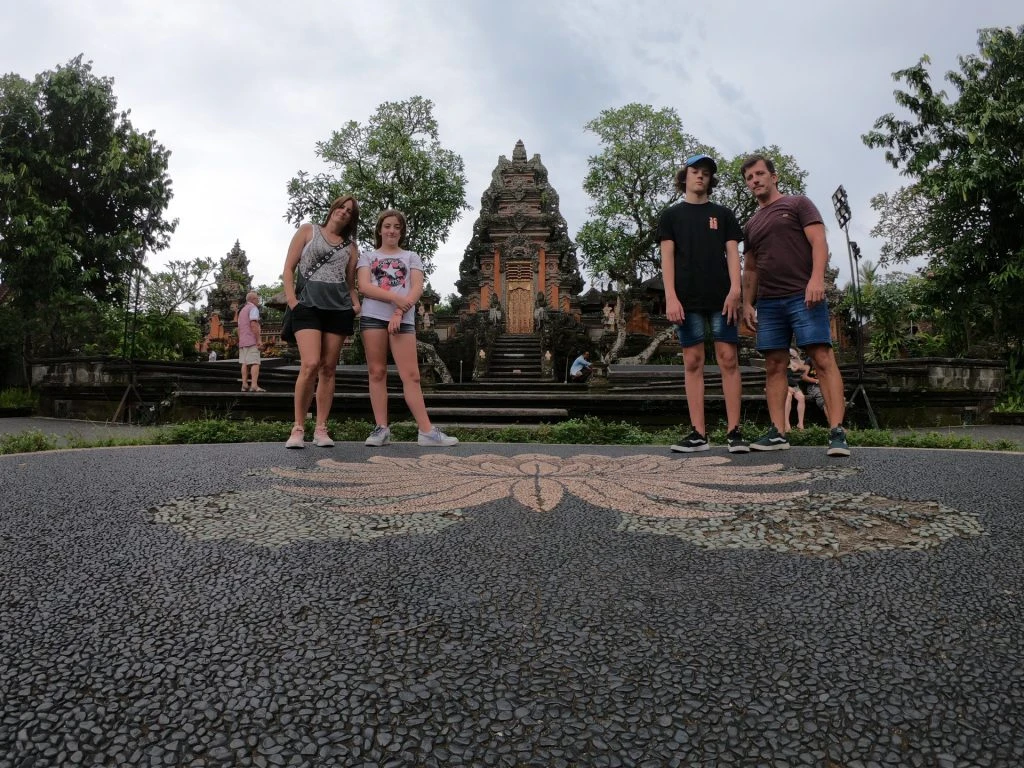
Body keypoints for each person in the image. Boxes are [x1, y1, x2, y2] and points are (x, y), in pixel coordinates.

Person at [740, 154, 849, 456]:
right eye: (749, 178)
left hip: (803, 294)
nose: (755, 180)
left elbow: (819, 242)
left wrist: (817, 280)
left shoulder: (798, 204)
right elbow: (750, 269)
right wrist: (747, 303)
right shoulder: (750, 225)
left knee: (822, 357)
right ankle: (778, 432)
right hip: (770, 303)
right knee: (774, 365)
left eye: (760, 174)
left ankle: (837, 432)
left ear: (774, 176)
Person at [657, 154, 748, 453]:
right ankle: (699, 432)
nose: (700, 176)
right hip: (687, 299)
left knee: (728, 360)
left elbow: (733, 254)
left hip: (722, 298)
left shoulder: (723, 214)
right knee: (692, 361)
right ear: (684, 176)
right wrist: (670, 296)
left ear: (711, 180)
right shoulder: (670, 216)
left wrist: (736, 290)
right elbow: (667, 259)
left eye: (706, 173)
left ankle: (734, 431)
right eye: (695, 171)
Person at [358, 209, 458, 448]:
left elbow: (416, 289)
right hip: (373, 316)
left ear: (401, 232)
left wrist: (400, 311)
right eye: (387, 226)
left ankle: (426, 431)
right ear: (380, 229)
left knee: (411, 376)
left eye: (397, 227)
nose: (392, 230)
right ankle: (381, 428)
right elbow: (364, 286)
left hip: (403, 320)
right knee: (377, 372)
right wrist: (396, 301)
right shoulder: (367, 257)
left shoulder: (411, 256)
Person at [281, 195, 361, 449]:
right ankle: (298, 427)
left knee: (328, 368)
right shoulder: (308, 231)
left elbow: (349, 282)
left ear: (352, 218)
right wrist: (293, 301)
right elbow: (288, 268)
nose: (344, 212)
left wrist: (355, 302)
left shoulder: (351, 247)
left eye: (349, 211)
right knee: (310, 364)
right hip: (307, 306)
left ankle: (321, 428)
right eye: (341, 207)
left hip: (338, 308)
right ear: (332, 209)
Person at [237, 291, 264, 392]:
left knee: (244, 363)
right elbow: (253, 324)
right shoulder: (253, 308)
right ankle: (254, 385)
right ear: (252, 299)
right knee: (255, 362)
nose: (258, 300)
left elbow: (239, 328)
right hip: (251, 340)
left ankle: (244, 384)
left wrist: (241, 340)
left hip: (243, 341)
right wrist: (258, 340)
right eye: (257, 299)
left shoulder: (242, 310)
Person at [785, 348, 808, 431]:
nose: (791, 357)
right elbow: (777, 378)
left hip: (793, 385)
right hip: (782, 386)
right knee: (788, 396)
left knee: (801, 397)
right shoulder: (780, 363)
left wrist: (797, 357)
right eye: (790, 355)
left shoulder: (791, 363)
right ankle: (786, 424)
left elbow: (802, 367)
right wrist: (787, 387)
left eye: (791, 355)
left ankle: (800, 424)